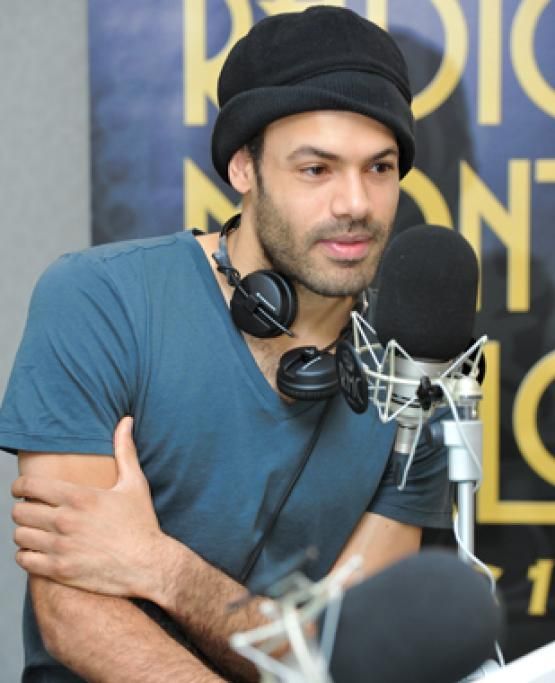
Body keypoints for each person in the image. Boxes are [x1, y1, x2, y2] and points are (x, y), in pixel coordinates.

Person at [1, 6, 453, 682]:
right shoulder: (100, 298)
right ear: (243, 167)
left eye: (379, 167)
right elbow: (74, 612)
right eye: (316, 169)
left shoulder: (411, 378)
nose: (355, 203)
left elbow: (342, 658)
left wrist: (163, 567)